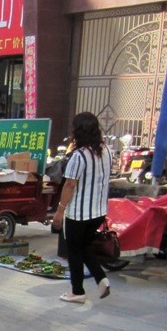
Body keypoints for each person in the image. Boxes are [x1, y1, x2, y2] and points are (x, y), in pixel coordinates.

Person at [54, 112, 113, 303]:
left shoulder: (79, 156)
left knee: (74, 251)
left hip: (78, 213)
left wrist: (60, 210)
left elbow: (69, 185)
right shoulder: (107, 151)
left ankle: (77, 291)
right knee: (85, 246)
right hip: (98, 211)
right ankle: (101, 279)